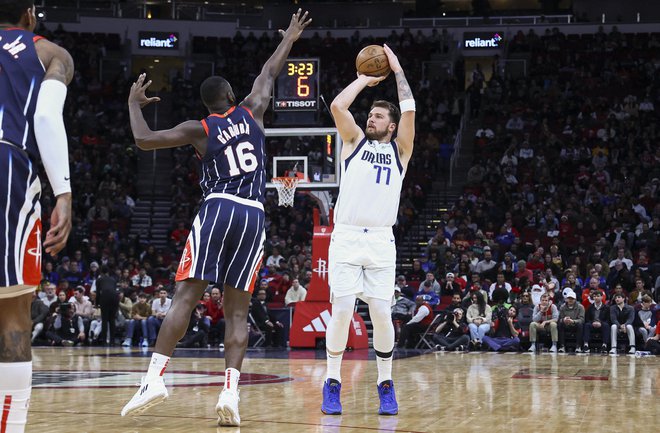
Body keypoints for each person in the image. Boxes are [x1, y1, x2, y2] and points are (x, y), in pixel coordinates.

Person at [120, 10, 311, 426]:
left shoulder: (200, 128)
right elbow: (269, 71)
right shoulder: (253, 109)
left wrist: (134, 104)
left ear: (209, 103)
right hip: (254, 214)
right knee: (238, 312)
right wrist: (290, 38)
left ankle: (154, 378)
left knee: (185, 298)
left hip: (219, 205)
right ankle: (231, 394)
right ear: (231, 94)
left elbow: (144, 140)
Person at [321, 43, 414, 417]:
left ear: (391, 126)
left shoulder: (400, 151)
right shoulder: (354, 142)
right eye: (370, 115)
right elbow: (338, 107)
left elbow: (409, 108)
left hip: (379, 240)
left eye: (377, 116)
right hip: (345, 235)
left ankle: (386, 384)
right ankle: (332, 383)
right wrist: (363, 79)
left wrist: (398, 69)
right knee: (341, 311)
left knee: (380, 313)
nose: (370, 118)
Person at [0, 2, 74, 430]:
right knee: (12, 311)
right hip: (8, 164)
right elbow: (45, 116)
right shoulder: (49, 53)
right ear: (29, 13)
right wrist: (62, 193)